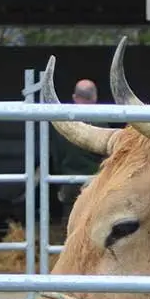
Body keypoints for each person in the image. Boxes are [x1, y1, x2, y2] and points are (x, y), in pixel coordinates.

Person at [51, 78, 106, 226]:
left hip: (68, 184)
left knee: (70, 224)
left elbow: (55, 157)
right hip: (94, 185)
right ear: (94, 98)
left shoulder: (63, 125)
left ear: (75, 98)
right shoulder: (102, 123)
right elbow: (107, 158)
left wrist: (59, 183)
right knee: (94, 224)